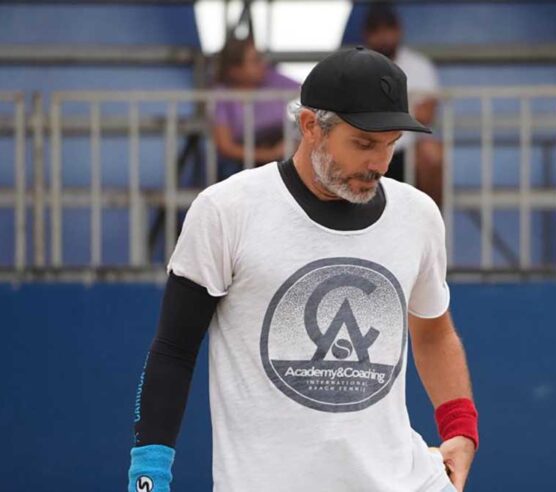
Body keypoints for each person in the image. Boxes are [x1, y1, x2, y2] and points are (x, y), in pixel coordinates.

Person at [128, 47, 478, 492]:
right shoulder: (227, 210)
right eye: (364, 144)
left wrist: (460, 428)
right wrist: (149, 474)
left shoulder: (418, 215)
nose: (380, 164)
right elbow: (174, 351)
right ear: (311, 126)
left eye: (390, 144)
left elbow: (433, 332)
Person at [363, 1, 444, 206]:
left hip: (406, 147)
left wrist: (378, 107)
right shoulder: (356, 65)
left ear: (399, 29)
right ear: (366, 34)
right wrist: (404, 106)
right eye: (375, 30)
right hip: (366, 144)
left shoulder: (418, 65)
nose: (383, 36)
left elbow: (426, 114)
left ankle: (431, 220)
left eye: (388, 28)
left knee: (431, 153)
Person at [213, 38, 300, 180]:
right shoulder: (222, 95)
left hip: (279, 147)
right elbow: (225, 146)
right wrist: (269, 155)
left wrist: (295, 141)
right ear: (234, 70)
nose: (263, 64)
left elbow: (309, 95)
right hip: (242, 159)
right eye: (255, 60)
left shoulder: (273, 78)